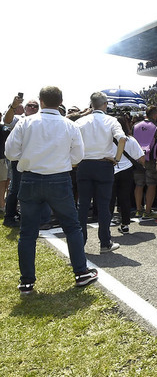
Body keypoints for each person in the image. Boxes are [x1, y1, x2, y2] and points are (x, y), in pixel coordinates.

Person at [4, 86, 98, 294]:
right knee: (72, 227)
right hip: (58, 179)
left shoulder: (26, 123)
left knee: (28, 232)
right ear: (60, 101)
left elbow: (10, 152)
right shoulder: (68, 125)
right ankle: (81, 272)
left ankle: (26, 281)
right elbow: (77, 157)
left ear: (41, 101)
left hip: (30, 178)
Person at [75, 92, 126, 253]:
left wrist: (75, 160)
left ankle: (79, 243)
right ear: (104, 105)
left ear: (91, 105)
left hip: (84, 164)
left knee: (83, 205)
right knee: (104, 206)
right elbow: (122, 138)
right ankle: (105, 242)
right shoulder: (111, 120)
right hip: (104, 165)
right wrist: (116, 158)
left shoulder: (80, 121)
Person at [3, 96, 41, 227]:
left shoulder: (41, 120)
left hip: (35, 160)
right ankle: (9, 217)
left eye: (35, 106)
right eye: (30, 105)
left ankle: (24, 215)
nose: (32, 108)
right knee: (16, 188)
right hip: (19, 160)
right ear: (25, 108)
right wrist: (13, 107)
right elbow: (7, 121)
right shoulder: (20, 119)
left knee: (32, 190)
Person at [111, 115, 144, 235]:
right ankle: (125, 225)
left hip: (110, 170)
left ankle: (105, 227)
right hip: (126, 171)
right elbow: (141, 158)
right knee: (125, 198)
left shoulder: (107, 141)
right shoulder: (130, 139)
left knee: (109, 199)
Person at [132, 105, 157, 218]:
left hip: (137, 158)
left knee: (139, 184)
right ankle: (148, 211)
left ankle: (138, 209)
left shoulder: (135, 126)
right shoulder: (156, 127)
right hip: (151, 159)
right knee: (151, 185)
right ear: (154, 115)